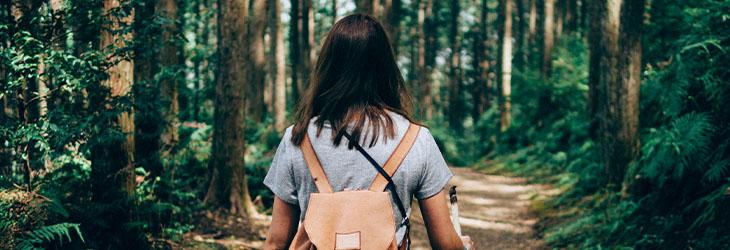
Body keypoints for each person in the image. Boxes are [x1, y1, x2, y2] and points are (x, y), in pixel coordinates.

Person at [263, 14, 474, 250]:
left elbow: (276, 243)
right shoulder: (416, 140)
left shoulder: (298, 138)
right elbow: (445, 244)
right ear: (385, 67)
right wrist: (463, 246)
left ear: (329, 66)